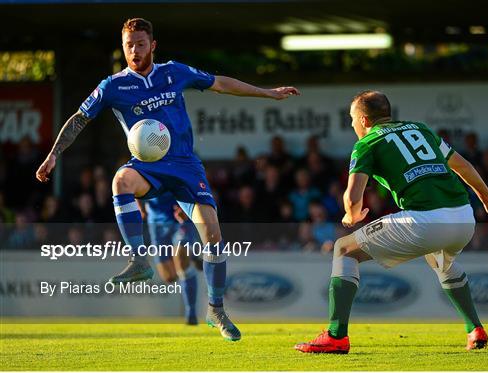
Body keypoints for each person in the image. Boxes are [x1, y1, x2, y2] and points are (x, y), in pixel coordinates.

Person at [35, 17, 299, 341]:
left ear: (153, 45)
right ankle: (137, 259)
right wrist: (53, 155)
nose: (134, 51)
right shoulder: (112, 86)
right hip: (148, 166)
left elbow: (221, 83)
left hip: (186, 165)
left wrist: (268, 93)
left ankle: (215, 309)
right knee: (121, 182)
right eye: (128, 45)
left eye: (140, 44)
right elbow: (79, 119)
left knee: (213, 237)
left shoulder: (174, 72)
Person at [295, 90, 488, 354]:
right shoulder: (421, 129)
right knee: (441, 261)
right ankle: (475, 329)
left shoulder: (367, 143)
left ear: (364, 120)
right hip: (464, 218)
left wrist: (351, 214)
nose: (351, 125)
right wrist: (487, 197)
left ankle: (336, 336)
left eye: (351, 119)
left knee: (343, 249)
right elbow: (463, 166)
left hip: (425, 221)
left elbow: (352, 197)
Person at [142, 193, 200, 325]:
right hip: (156, 221)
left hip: (179, 216)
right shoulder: (142, 171)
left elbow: (198, 183)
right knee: (169, 277)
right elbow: (132, 183)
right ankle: (192, 254)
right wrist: (139, 206)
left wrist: (191, 206)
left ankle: (191, 313)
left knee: (181, 260)